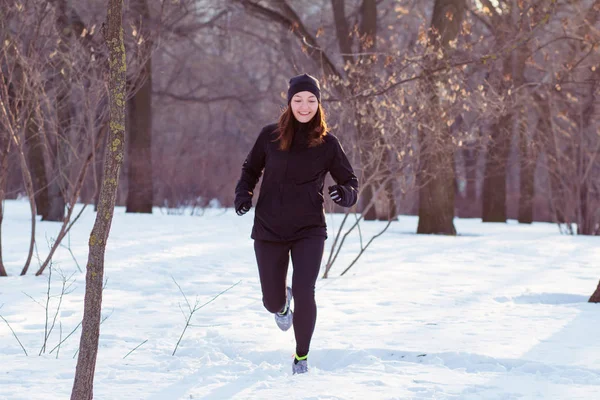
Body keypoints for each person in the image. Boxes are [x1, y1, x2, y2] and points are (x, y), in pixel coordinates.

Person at [234, 73, 358, 375]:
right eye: (299, 100)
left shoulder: (329, 144)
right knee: (270, 300)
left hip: (309, 229)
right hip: (269, 227)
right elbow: (250, 169)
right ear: (289, 102)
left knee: (306, 291)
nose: (305, 106)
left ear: (319, 104)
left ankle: (301, 357)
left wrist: (343, 194)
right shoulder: (270, 136)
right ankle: (281, 306)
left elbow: (350, 182)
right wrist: (243, 193)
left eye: (311, 100)